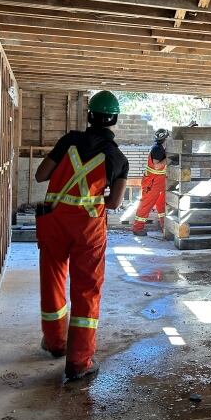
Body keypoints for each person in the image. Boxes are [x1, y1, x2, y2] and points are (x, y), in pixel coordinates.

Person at [34, 90, 128, 381]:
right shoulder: (117, 158)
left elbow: (40, 175)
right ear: (114, 120)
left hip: (55, 223)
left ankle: (54, 343)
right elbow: (113, 204)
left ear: (89, 115)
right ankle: (79, 362)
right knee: (86, 290)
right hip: (88, 230)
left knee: (53, 282)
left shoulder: (68, 141)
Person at [132, 128, 170, 236]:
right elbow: (157, 166)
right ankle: (137, 228)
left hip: (159, 182)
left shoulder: (161, 148)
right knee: (146, 204)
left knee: (162, 205)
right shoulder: (157, 149)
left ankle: (165, 228)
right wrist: (168, 158)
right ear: (165, 138)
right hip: (152, 183)